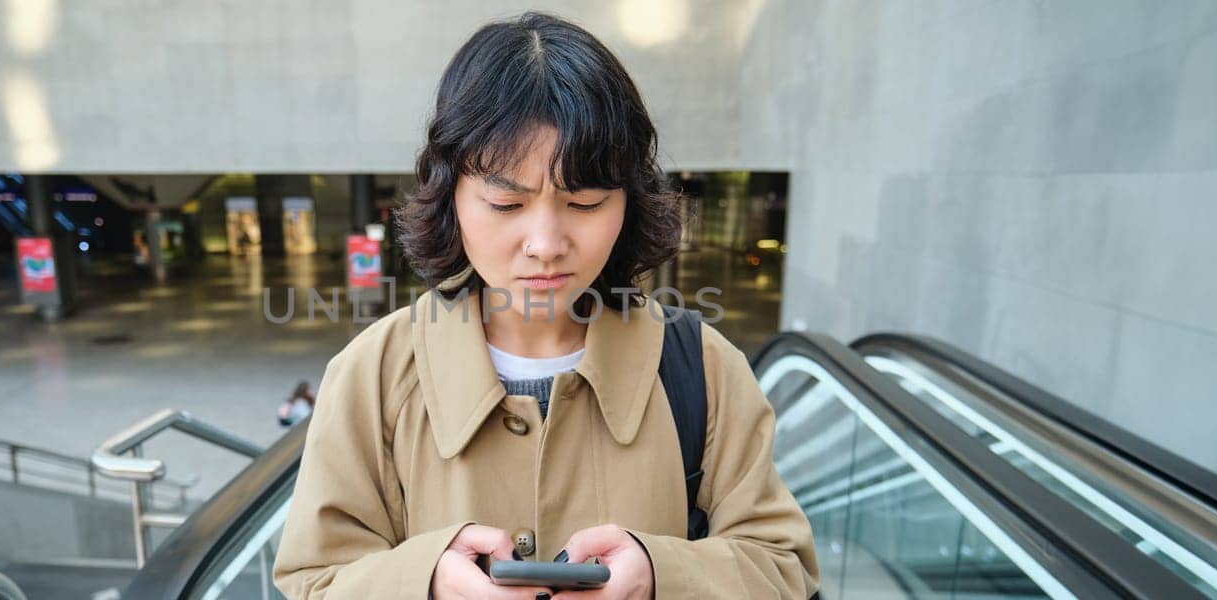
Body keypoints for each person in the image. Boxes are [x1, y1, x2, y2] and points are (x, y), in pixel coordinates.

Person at [273, 12, 818, 600]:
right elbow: (312, 578)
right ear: (451, 196)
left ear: (628, 202)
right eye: (506, 204)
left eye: (584, 203)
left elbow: (782, 564)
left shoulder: (702, 368)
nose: (546, 245)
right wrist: (424, 581)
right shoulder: (373, 373)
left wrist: (663, 576)